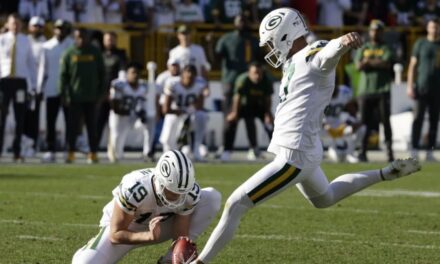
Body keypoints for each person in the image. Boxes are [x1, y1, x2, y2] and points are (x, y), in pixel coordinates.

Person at [190, 8, 421, 264]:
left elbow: (326, 53)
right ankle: (384, 173)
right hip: (304, 150)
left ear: (286, 35)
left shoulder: (314, 52)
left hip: (294, 156)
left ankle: (200, 263)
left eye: (271, 41)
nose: (269, 49)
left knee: (235, 204)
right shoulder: (294, 60)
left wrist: (342, 42)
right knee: (326, 198)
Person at [72, 150, 222, 263]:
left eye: (180, 193)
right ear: (160, 181)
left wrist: (179, 251)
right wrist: (149, 236)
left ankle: (169, 260)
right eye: (172, 192)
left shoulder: (188, 193)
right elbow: (115, 234)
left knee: (212, 197)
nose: (176, 198)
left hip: (160, 225)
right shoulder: (137, 187)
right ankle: (88, 250)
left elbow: (180, 232)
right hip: (126, 228)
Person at [59, 27, 105, 164]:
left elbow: (102, 75)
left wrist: (100, 94)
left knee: (92, 126)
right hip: (74, 97)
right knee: (72, 127)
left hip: (91, 97)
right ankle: (71, 152)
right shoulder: (69, 53)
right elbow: (63, 76)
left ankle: (93, 153)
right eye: (78, 37)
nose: (81, 39)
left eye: (83, 37)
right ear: (74, 37)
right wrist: (64, 94)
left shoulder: (95, 52)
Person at [354, 19, 394, 162]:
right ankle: (362, 151)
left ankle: (389, 152)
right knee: (364, 122)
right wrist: (375, 62)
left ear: (382, 32)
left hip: (382, 89)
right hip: (365, 90)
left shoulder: (386, 47)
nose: (375, 32)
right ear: (370, 31)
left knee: (385, 121)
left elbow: (386, 63)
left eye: (378, 30)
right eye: (373, 30)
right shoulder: (364, 46)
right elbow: (358, 66)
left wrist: (368, 62)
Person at [0, 13, 37, 161]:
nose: (15, 26)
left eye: (17, 23)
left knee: (19, 117)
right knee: (2, 117)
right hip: (4, 81)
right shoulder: (2, 40)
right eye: (12, 23)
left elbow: (31, 64)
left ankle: (17, 151)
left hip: (20, 82)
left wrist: (33, 85)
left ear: (21, 25)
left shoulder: (26, 40)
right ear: (8, 24)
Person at [221, 61, 274, 162]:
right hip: (243, 106)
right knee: (231, 123)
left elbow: (268, 99)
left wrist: (268, 114)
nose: (257, 76)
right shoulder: (242, 80)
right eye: (255, 73)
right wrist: (234, 113)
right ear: (249, 73)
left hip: (259, 107)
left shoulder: (267, 81)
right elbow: (237, 97)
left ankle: (278, 151)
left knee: (271, 125)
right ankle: (227, 150)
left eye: (260, 73)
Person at [107, 62, 155, 163]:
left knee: (150, 119)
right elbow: (115, 106)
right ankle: (116, 154)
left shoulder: (144, 86)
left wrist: (143, 113)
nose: (135, 75)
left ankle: (147, 152)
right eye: (133, 72)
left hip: (134, 115)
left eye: (137, 73)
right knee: (117, 135)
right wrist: (125, 111)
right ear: (127, 74)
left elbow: (146, 102)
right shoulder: (119, 84)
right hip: (121, 115)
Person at [407, 18, 440, 161]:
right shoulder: (421, 43)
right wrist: (410, 85)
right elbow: (412, 66)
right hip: (421, 87)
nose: (434, 30)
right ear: (428, 28)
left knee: (434, 119)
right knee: (418, 118)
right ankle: (414, 148)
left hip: (437, 88)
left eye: (437, 27)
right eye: (432, 27)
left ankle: (429, 150)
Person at [40, 19, 73, 163]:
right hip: (51, 88)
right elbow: (43, 68)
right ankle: (50, 149)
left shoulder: (72, 46)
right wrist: (40, 87)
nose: (61, 31)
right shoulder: (46, 46)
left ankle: (68, 149)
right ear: (54, 29)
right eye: (59, 28)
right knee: (50, 121)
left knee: (69, 121)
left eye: (64, 28)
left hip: (68, 90)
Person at [213, 14, 261, 113]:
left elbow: (260, 59)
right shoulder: (226, 38)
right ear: (234, 23)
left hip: (248, 81)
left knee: (249, 116)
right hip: (230, 80)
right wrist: (210, 45)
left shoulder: (253, 40)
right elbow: (216, 58)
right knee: (228, 116)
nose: (242, 23)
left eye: (244, 21)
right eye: (239, 21)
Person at [159, 65, 207, 161]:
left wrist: (188, 112)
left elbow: (200, 106)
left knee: (201, 115)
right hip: (174, 112)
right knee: (167, 138)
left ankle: (196, 148)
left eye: (192, 72)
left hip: (190, 113)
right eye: (187, 72)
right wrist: (180, 111)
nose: (189, 75)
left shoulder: (199, 85)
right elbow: (165, 110)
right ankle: (168, 155)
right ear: (182, 74)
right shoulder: (173, 83)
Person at [97, 31, 127, 147]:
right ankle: (94, 149)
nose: (109, 42)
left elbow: (122, 75)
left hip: (115, 95)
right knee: (98, 122)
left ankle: (115, 150)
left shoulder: (121, 55)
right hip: (101, 95)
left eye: (112, 39)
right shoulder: (99, 55)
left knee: (115, 125)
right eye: (107, 39)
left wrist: (114, 93)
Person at [22, 16, 46, 158]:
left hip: (37, 87)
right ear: (29, 27)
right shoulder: (23, 42)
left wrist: (38, 87)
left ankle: (31, 143)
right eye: (34, 26)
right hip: (22, 84)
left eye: (39, 26)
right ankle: (20, 142)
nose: (36, 28)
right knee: (20, 116)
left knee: (33, 116)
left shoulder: (45, 45)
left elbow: (43, 69)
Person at [323, 84, 365, 163]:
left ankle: (350, 153)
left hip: (339, 125)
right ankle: (319, 152)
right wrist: (324, 124)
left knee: (362, 128)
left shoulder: (344, 92)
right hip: (323, 128)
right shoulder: (320, 93)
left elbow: (353, 111)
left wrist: (349, 123)